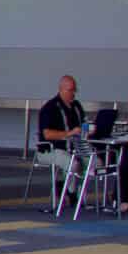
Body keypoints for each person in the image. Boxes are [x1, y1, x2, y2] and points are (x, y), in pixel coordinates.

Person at [38, 75, 86, 206]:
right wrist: (69, 133)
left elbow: (82, 125)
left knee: (95, 162)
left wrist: (87, 130)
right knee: (72, 163)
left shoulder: (76, 106)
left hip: (74, 148)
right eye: (70, 90)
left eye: (74, 90)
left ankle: (63, 186)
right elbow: (47, 134)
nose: (73, 93)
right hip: (50, 149)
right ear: (61, 89)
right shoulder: (49, 108)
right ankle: (70, 192)